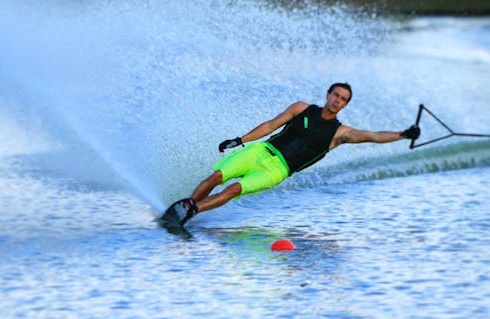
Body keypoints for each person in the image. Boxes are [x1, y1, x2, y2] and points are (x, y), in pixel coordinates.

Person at [163, 83, 420, 227]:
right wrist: (240, 140)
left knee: (232, 190)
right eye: (335, 95)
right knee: (217, 176)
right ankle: (184, 208)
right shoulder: (301, 108)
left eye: (343, 99)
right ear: (328, 94)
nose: (337, 101)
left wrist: (404, 134)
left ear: (345, 104)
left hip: (277, 170)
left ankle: (191, 210)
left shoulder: (340, 133)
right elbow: (269, 126)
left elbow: (373, 136)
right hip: (261, 150)